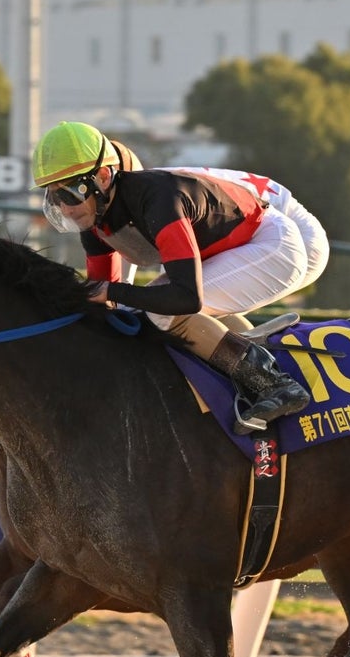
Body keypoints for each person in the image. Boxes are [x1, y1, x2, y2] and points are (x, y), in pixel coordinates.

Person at [32, 121, 326, 432]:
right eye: (53, 197)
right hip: (243, 243)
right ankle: (244, 372)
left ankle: (274, 384)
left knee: (163, 311)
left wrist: (111, 293)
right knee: (144, 312)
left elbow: (184, 297)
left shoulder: (159, 199)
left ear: (104, 177)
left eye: (68, 193)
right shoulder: (95, 220)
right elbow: (104, 307)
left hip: (276, 245)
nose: (63, 208)